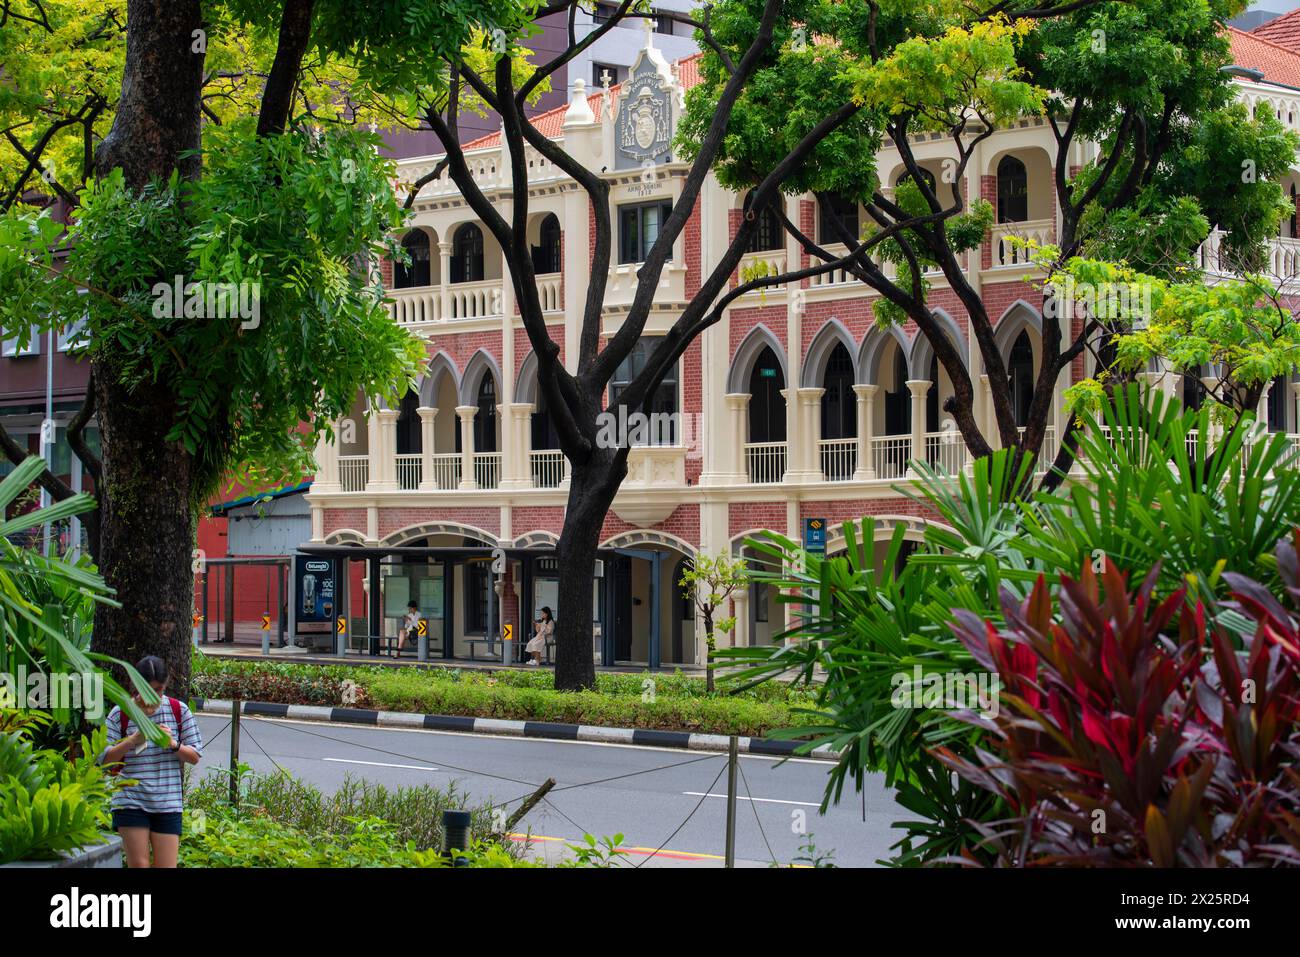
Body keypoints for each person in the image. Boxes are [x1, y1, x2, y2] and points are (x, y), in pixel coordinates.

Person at [100, 655, 203, 868]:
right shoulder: (121, 713)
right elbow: (105, 759)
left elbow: (194, 756)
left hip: (168, 802)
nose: (152, 696)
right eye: (147, 689)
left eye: (158, 690)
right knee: (139, 865)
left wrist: (172, 744)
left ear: (165, 686)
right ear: (136, 685)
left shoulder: (178, 710)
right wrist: (133, 740)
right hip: (130, 800)